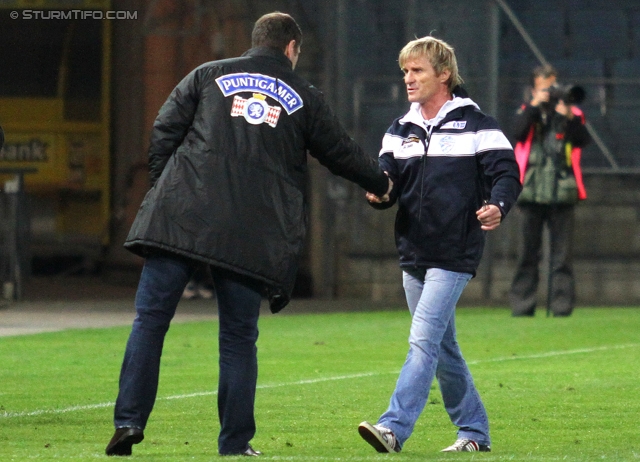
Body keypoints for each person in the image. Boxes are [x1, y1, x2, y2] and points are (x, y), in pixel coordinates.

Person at [105, 12, 392, 457]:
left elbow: (164, 131)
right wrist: (382, 184)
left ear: (254, 41)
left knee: (150, 321)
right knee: (238, 337)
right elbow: (340, 152)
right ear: (292, 48)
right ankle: (235, 444)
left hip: (179, 216)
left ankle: (128, 423)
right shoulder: (304, 95)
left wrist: (168, 192)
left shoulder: (205, 75)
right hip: (248, 233)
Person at [357, 36, 521, 454]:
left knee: (423, 341)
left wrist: (498, 205)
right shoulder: (399, 129)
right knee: (443, 347)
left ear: (443, 74)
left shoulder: (477, 124)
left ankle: (393, 428)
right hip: (413, 250)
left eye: (417, 71)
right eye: (405, 72)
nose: (408, 79)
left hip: (454, 251)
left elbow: (507, 173)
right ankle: (475, 433)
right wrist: (381, 194)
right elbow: (388, 179)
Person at [508, 64, 590, 317]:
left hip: (562, 189)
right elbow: (517, 133)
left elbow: (583, 140)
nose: (550, 93)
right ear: (534, 89)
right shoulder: (527, 111)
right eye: (545, 88)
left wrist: (566, 116)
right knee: (527, 253)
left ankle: (561, 307)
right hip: (530, 190)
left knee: (562, 255)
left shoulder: (571, 114)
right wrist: (535, 107)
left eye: (552, 87)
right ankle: (522, 306)